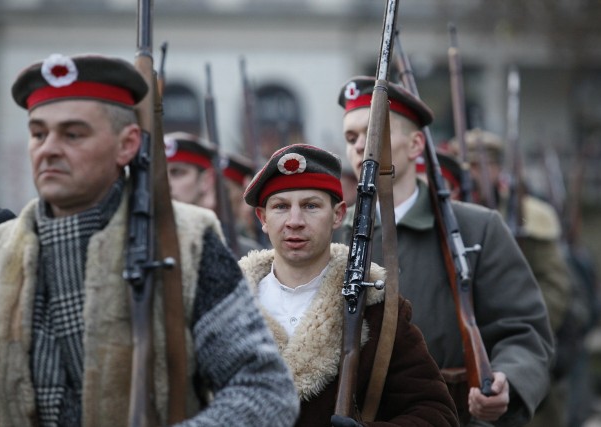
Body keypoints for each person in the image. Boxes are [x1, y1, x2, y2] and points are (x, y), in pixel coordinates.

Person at [0, 52, 299, 426]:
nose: (49, 148)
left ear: (127, 144)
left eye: (73, 134)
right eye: (38, 133)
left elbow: (264, 390)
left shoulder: (186, 242)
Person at [337, 76, 554, 426]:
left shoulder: (477, 229)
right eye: (351, 137)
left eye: (375, 132)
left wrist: (506, 381)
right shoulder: (336, 236)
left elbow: (523, 331)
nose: (361, 145)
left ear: (415, 144)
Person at [238, 144, 459, 427]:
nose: (295, 221)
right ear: (262, 218)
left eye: (310, 206)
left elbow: (436, 414)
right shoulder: (226, 311)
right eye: (281, 207)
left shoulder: (378, 309)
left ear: (339, 214)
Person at [451, 128, 574, 427]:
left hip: (518, 352)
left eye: (479, 165)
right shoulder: (450, 215)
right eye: (463, 165)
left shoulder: (529, 214)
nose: (472, 174)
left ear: (495, 168)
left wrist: (521, 338)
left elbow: (554, 286)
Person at [165, 132, 262, 257]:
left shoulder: (244, 252)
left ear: (206, 180)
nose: (166, 183)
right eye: (161, 174)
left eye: (177, 172)